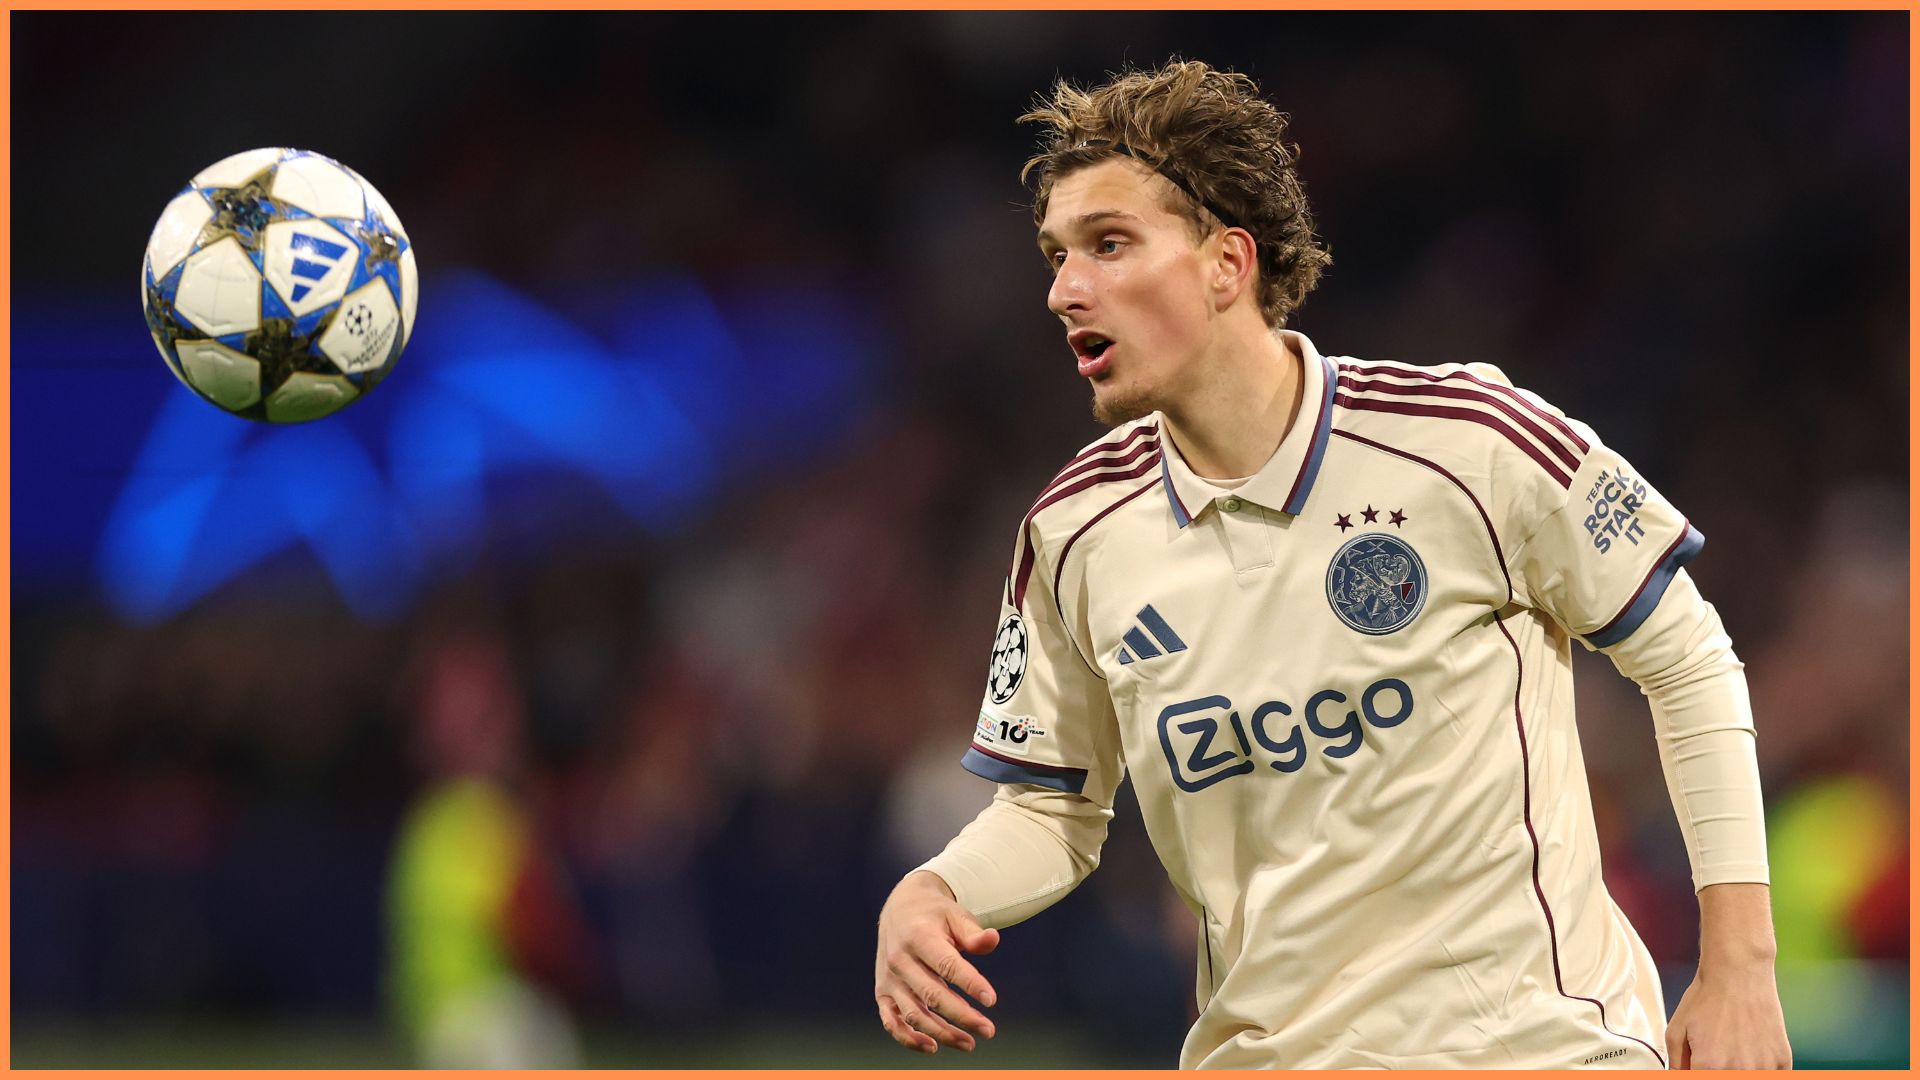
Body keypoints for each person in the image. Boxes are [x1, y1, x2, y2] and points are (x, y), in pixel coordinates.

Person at [873, 59, 1793, 1069]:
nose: (1063, 290)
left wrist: (1740, 965)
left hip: (1541, 1050)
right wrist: (934, 891)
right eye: (1057, 255)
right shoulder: (1074, 532)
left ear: (1228, 263)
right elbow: (1052, 811)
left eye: (1108, 244)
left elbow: (1690, 658)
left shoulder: (1470, 442)